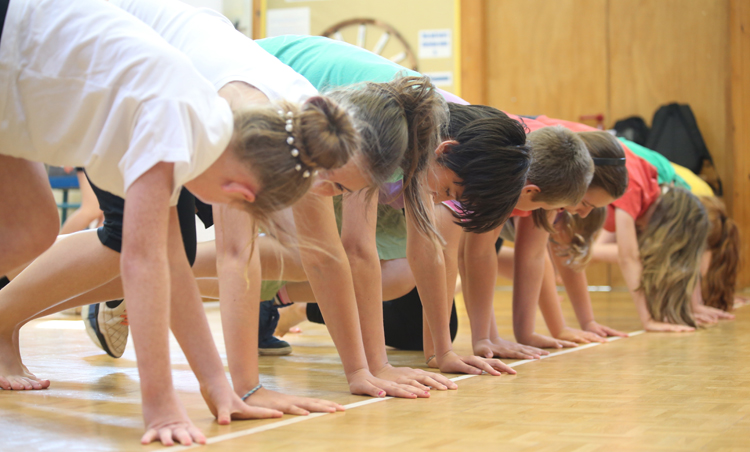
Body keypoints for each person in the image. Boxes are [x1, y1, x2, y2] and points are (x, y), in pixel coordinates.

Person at [0, 0, 356, 445]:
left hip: (16, 81)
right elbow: (142, 263)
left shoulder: (198, 130)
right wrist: (161, 405)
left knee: (28, 229)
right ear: (242, 195)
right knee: (27, 230)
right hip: (12, 45)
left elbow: (172, 267)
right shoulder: (175, 121)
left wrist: (217, 386)